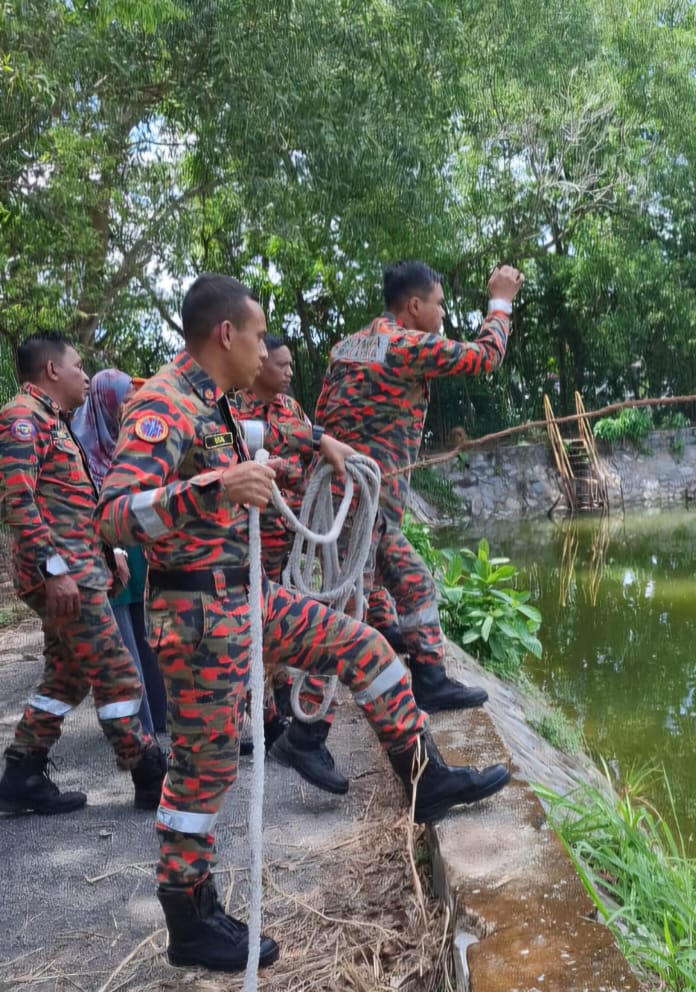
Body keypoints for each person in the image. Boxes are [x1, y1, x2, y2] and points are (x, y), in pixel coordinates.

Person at [96, 273, 510, 973]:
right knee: (205, 771)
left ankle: (424, 777)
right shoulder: (162, 403)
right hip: (198, 614)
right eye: (258, 336)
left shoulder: (218, 405)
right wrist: (214, 486)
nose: (266, 352)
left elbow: (280, 427)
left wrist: (321, 443)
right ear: (226, 334)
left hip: (246, 597)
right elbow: (113, 513)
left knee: (367, 647)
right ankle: (190, 917)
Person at [315, 260, 523, 713]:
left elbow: (322, 421)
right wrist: (501, 300)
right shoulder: (404, 345)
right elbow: (485, 357)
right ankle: (309, 731)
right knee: (344, 618)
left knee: (415, 585)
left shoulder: (345, 348)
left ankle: (429, 679)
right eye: (440, 305)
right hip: (363, 505)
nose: (443, 315)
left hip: (354, 503)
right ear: (413, 306)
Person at [0, 334, 167, 815]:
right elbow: (19, 500)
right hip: (62, 573)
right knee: (117, 672)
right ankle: (149, 773)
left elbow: (68, 503)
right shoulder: (22, 418)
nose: (86, 376)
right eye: (78, 366)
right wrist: (54, 570)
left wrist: (106, 549)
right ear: (52, 371)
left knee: (67, 677)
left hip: (81, 566)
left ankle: (22, 773)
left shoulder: (56, 422)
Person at [230, 335, 347, 794]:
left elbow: (305, 465)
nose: (288, 371)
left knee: (278, 641)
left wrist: (292, 467)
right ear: (258, 367)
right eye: (281, 364)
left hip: (288, 541)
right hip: (246, 546)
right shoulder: (232, 413)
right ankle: (253, 726)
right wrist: (311, 444)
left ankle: (277, 723)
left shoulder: (291, 409)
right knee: (254, 635)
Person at [71, 368, 167, 735]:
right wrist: (113, 551)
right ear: (106, 400)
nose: (131, 404)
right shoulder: (83, 444)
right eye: (125, 397)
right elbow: (88, 508)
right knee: (123, 644)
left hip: (140, 551)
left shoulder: (131, 441)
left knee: (149, 640)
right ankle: (139, 731)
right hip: (109, 555)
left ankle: (161, 718)